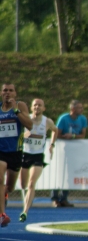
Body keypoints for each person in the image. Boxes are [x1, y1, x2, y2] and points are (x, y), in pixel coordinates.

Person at [19, 99, 58, 222]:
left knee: (31, 184)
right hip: (25, 154)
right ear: (31, 108)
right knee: (23, 184)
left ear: (44, 108)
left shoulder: (47, 121)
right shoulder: (26, 119)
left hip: (38, 155)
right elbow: (16, 132)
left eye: (40, 105)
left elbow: (55, 130)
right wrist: (23, 136)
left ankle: (25, 211)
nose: (37, 107)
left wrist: (52, 144)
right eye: (35, 105)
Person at [0, 83, 33, 227]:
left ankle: (5, 195)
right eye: (5, 90)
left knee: (10, 187)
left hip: (15, 152)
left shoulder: (21, 106)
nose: (7, 93)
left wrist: (16, 110)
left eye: (10, 90)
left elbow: (30, 125)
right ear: (1, 93)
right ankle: (2, 214)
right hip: (0, 151)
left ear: (15, 93)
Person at [51, 99, 88, 207]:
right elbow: (57, 133)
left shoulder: (82, 119)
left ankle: (64, 198)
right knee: (59, 173)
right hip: (62, 150)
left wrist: (72, 136)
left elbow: (83, 135)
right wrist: (64, 137)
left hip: (74, 151)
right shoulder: (64, 118)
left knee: (69, 173)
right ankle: (55, 198)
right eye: (79, 108)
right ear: (73, 109)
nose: (82, 110)